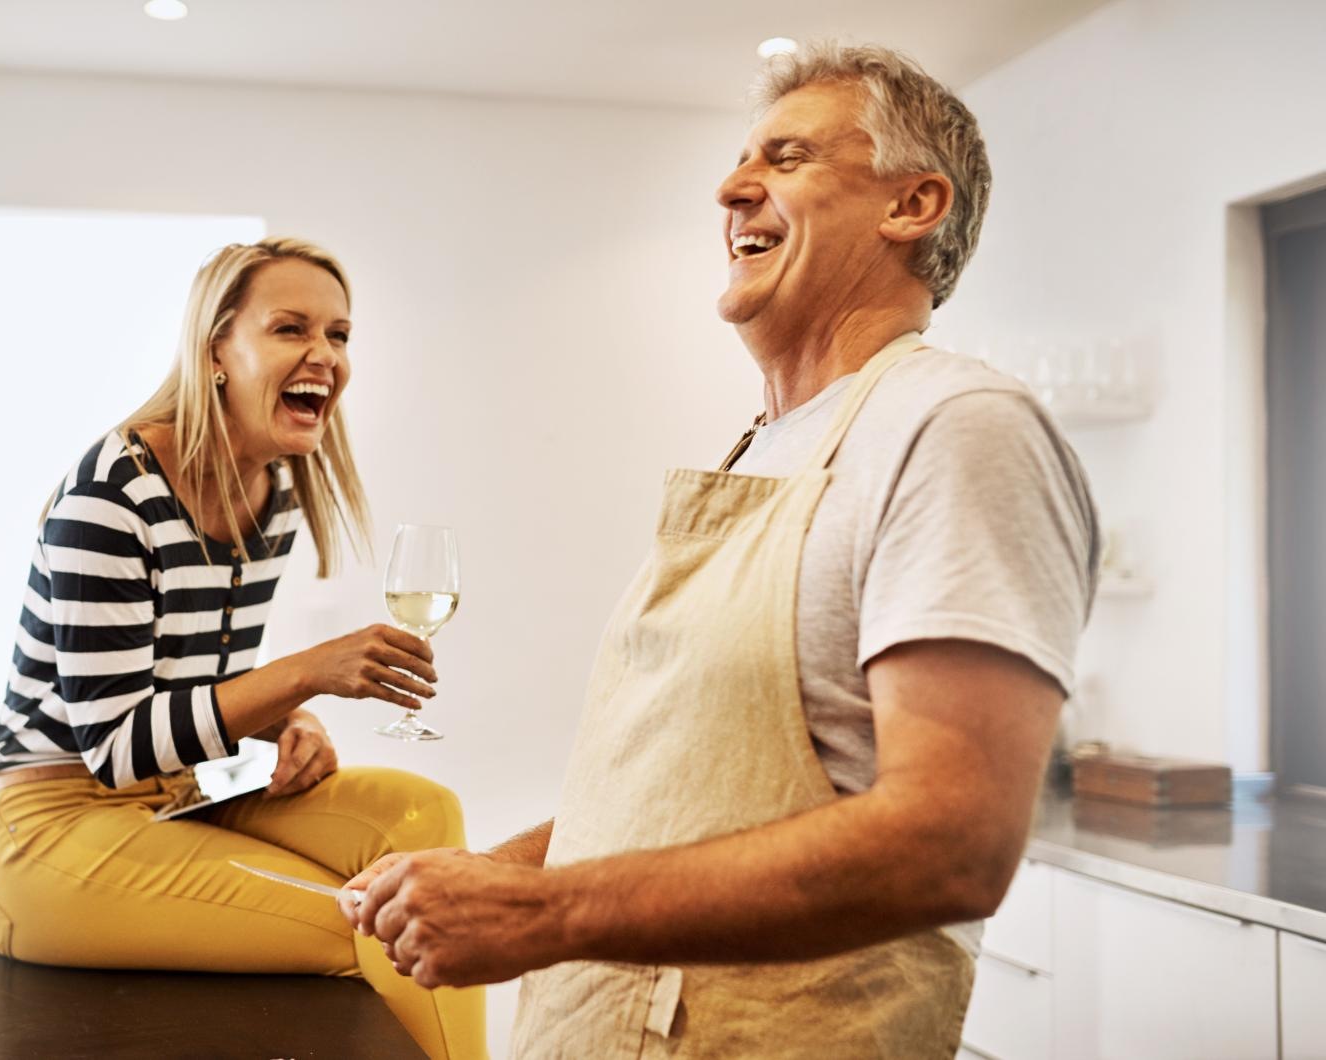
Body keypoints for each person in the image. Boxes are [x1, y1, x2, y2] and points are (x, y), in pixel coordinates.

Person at [339, 43, 1098, 1058]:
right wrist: (501, 875)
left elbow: (951, 843)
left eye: (785, 159)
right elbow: (667, 802)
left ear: (913, 205)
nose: (730, 188)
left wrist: (542, 914)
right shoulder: (757, 447)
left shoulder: (957, 426)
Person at [0, 238, 485, 1060]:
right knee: (388, 921)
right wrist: (307, 671)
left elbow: (196, 686)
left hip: (185, 792)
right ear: (216, 350)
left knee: (423, 816)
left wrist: (285, 723)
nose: (324, 355)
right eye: (291, 329)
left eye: (339, 335)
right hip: (49, 827)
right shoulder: (113, 493)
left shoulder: (272, 490)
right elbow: (116, 749)